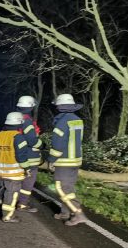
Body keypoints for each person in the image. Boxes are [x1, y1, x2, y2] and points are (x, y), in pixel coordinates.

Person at [48, 94, 87, 226]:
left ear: (59, 107)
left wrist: (51, 160)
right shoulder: (77, 120)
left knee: (61, 188)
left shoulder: (62, 122)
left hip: (64, 161)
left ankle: (78, 213)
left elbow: (58, 144)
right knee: (68, 187)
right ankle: (65, 212)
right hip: (75, 160)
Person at [0, 112, 29, 223]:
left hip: (1, 171)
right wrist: (27, 169)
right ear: (19, 123)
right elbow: (21, 157)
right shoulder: (19, 137)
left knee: (4, 190)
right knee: (12, 194)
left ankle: (3, 205)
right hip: (14, 173)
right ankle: (8, 216)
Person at [15, 95, 43, 213]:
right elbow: (32, 140)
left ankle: (10, 200)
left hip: (17, 155)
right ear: (31, 107)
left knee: (16, 181)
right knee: (27, 182)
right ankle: (22, 204)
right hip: (29, 157)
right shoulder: (27, 121)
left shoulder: (15, 119)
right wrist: (42, 145)